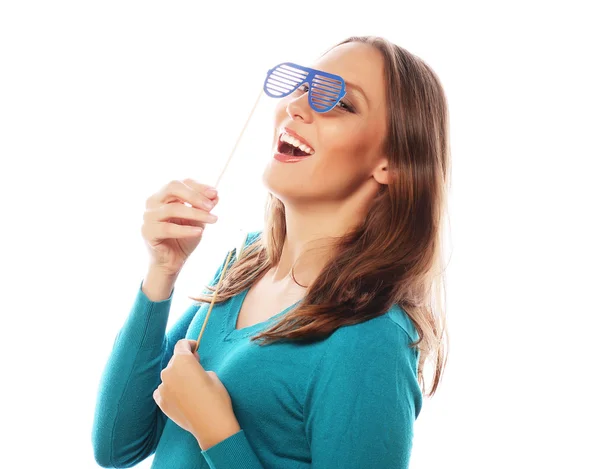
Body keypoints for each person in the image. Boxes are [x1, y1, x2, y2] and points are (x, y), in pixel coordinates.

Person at [92, 35, 451, 469]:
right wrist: (162, 272)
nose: (298, 106)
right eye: (303, 86)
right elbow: (118, 446)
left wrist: (216, 430)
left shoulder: (370, 336)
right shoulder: (245, 266)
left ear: (390, 163)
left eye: (339, 102)